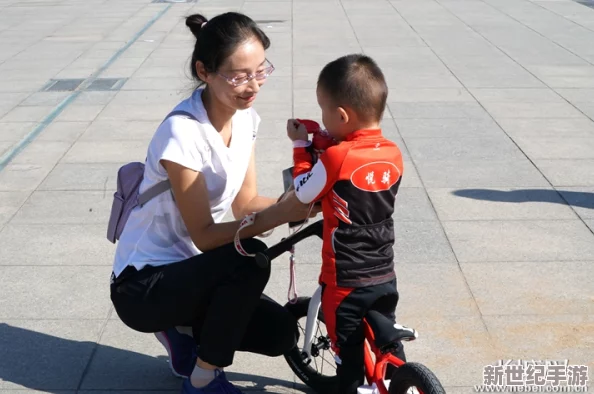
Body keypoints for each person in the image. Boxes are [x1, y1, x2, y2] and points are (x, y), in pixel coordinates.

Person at [109, 12, 319, 394]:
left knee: (281, 334)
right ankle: (203, 378)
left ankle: (183, 332)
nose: (252, 85)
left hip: (194, 272)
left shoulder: (245, 119)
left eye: (260, 71)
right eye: (238, 76)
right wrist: (277, 214)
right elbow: (206, 236)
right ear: (204, 71)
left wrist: (303, 203)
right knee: (249, 259)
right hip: (143, 285)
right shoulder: (182, 133)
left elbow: (246, 203)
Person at [286, 54, 408, 394]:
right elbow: (356, 162)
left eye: (324, 111)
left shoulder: (336, 158)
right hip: (384, 270)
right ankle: (399, 378)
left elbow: (303, 191)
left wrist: (300, 146)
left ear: (341, 115)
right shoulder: (394, 152)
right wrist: (327, 141)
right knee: (386, 336)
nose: (323, 121)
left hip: (345, 279)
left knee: (347, 352)